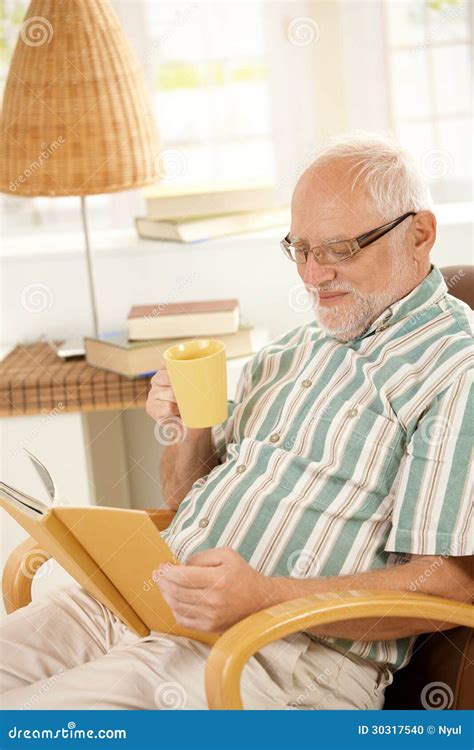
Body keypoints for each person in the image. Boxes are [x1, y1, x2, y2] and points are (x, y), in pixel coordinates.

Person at [1, 133, 472, 710]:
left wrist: (264, 595)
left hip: (279, 654)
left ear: (419, 233)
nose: (312, 276)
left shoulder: (456, 371)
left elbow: (451, 582)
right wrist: (190, 425)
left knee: (30, 724)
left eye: (339, 249)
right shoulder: (291, 350)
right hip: (143, 600)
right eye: (299, 249)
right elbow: (182, 495)